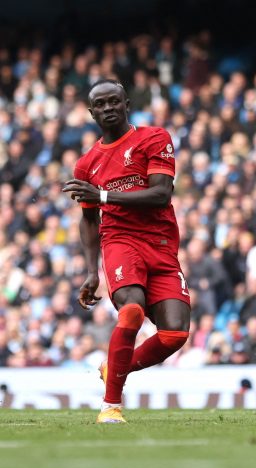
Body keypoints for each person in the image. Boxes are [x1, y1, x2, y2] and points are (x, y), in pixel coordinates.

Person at [62, 79, 191, 423]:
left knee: (176, 333)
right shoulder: (87, 165)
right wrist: (92, 271)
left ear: (126, 103)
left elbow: (160, 194)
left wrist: (102, 196)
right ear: (91, 113)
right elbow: (89, 221)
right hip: (120, 242)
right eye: (100, 105)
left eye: (113, 102)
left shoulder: (154, 138)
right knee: (131, 311)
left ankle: (113, 367)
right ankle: (110, 407)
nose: (108, 109)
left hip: (162, 246)